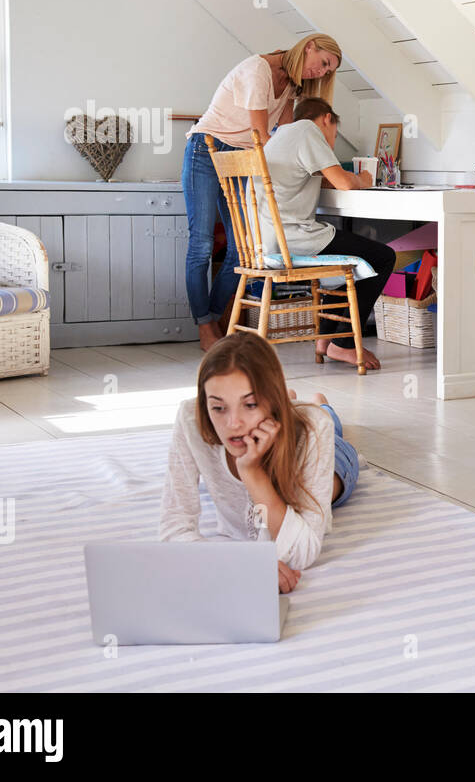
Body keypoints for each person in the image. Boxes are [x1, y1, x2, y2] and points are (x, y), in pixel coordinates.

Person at [159, 332, 364, 594]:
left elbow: (303, 552)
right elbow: (173, 527)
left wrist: (251, 471)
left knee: (326, 425)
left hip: (334, 458)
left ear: (271, 403)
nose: (233, 424)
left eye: (250, 404)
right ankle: (293, 402)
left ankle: (320, 406)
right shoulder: (191, 418)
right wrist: (236, 564)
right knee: (302, 416)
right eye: (219, 408)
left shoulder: (313, 432)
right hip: (286, 415)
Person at [183, 34, 342, 351]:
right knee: (201, 243)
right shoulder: (258, 70)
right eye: (323, 63)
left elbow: (279, 140)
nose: (320, 73)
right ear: (309, 46)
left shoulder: (292, 89)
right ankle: (205, 327)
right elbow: (262, 136)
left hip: (246, 159)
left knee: (245, 249)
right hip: (206, 150)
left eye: (327, 72)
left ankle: (215, 321)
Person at [255, 97, 396, 370]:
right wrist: (366, 179)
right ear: (327, 119)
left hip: (266, 240)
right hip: (291, 239)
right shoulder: (307, 130)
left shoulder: (282, 134)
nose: (331, 142)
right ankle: (342, 344)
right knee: (383, 257)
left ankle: (326, 340)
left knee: (345, 258)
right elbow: (343, 182)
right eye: (332, 135)